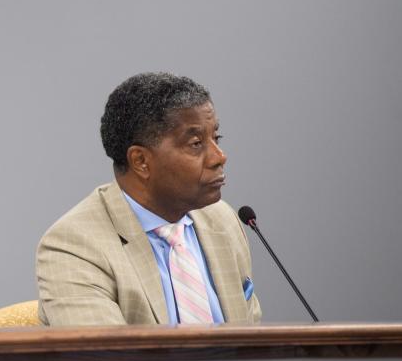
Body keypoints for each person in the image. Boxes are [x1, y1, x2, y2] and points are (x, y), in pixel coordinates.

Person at [36, 72, 261, 326]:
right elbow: (106, 359)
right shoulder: (74, 247)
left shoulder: (223, 221)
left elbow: (251, 346)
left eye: (216, 138)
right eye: (196, 143)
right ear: (141, 161)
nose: (219, 156)